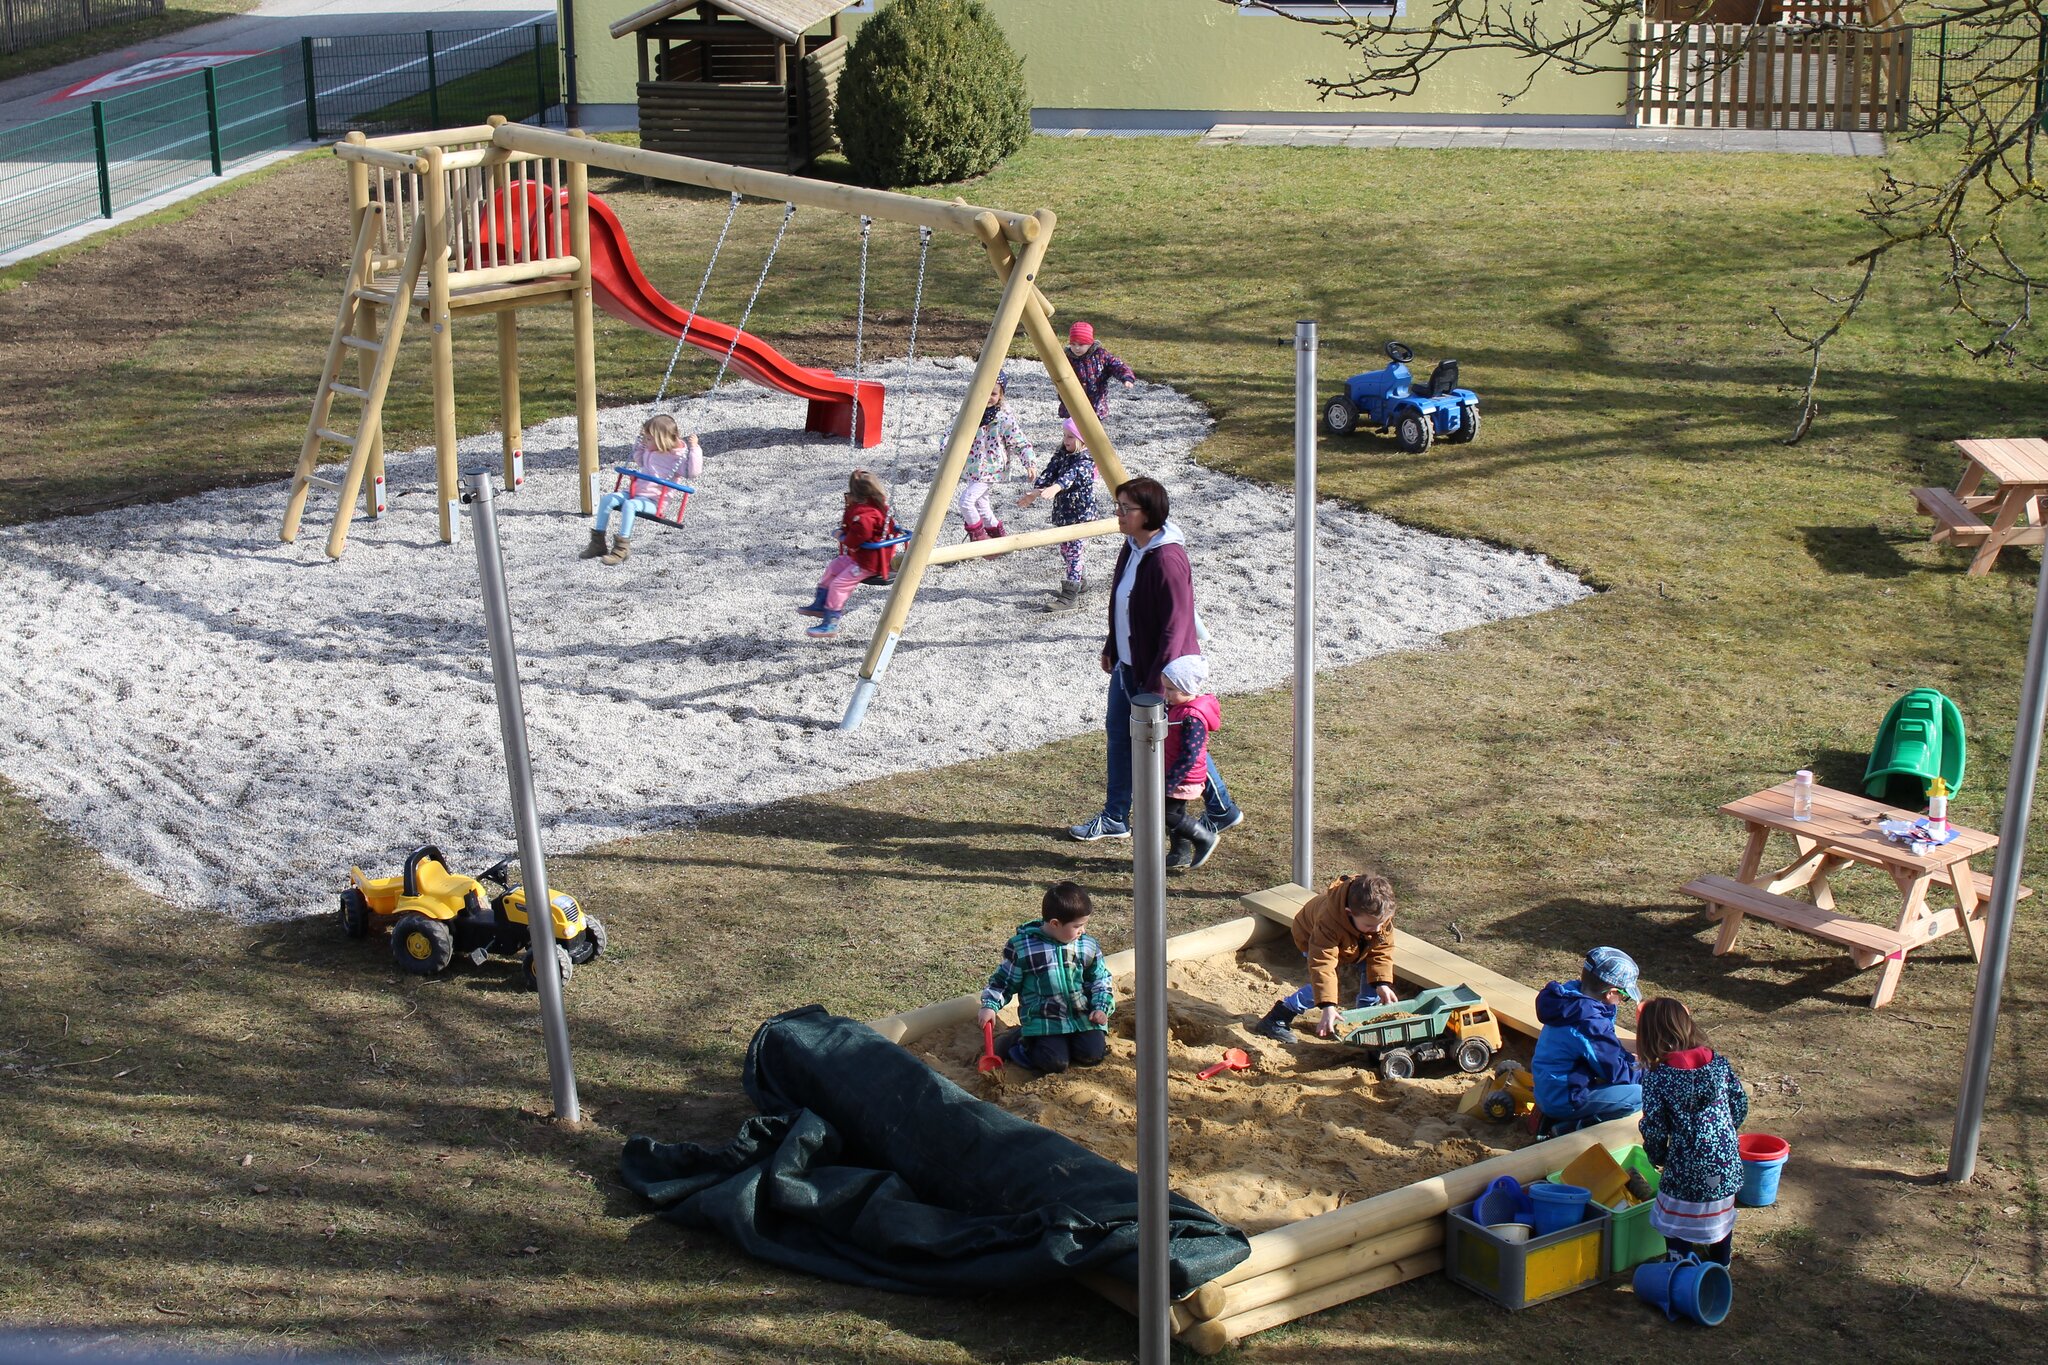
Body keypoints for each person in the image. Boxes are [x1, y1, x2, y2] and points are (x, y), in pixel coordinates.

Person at [1067, 477, 1242, 842]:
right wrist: (1111, 646)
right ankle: (1116, 815)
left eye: (1125, 509)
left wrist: (1155, 685)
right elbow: (1121, 601)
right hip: (1128, 665)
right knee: (1118, 735)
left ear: (1149, 514)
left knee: (1174, 742)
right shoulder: (1133, 546)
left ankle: (1221, 808)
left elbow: (1174, 628)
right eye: (1118, 506)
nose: (1118, 514)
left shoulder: (1167, 560)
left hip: (1155, 677)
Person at [1636, 996, 1749, 1267]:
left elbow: (1654, 1125)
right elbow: (1740, 1103)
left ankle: (1678, 1265)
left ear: (1650, 1035)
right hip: (1725, 1160)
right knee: (1719, 1209)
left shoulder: (1659, 1076)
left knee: (1676, 1217)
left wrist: (1656, 1155)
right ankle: (1721, 1262)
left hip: (1687, 1164)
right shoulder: (1718, 1064)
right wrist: (1726, 1133)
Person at [978, 881, 1114, 1074]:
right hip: (1045, 1020)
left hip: (1080, 1017)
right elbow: (1004, 981)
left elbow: (1100, 979)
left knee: (1092, 1054)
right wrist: (989, 1006)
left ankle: (1066, 1043)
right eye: (1077, 926)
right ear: (1055, 924)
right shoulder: (1023, 948)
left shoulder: (1086, 945)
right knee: (1054, 1063)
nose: (1082, 930)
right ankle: (1017, 1041)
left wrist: (1101, 1007)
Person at [1249, 872, 1400, 1042]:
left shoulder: (1378, 918)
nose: (1378, 929)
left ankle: (1363, 1018)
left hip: (1354, 942)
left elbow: (1382, 952)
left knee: (1373, 975)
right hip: (1311, 938)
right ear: (1349, 913)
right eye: (1370, 925)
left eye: (1382, 923)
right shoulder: (1328, 921)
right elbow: (1322, 967)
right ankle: (1277, 1017)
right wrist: (1328, 1005)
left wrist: (1381, 984)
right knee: (1325, 984)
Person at [1531, 946, 1644, 1132]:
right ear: (1611, 993)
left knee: (1629, 1071)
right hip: (1564, 1098)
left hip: (1552, 1087)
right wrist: (1648, 1074)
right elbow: (1615, 1071)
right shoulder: (1588, 1022)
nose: (1622, 1002)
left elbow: (1607, 1051)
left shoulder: (1570, 999)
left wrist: (1631, 1060)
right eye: (1624, 997)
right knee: (1638, 1096)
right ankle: (1567, 1128)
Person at [584, 414, 700, 567]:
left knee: (630, 506)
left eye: (648, 439)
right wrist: (639, 444)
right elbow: (639, 459)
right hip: (634, 492)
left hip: (653, 502)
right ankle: (598, 543)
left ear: (662, 440)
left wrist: (694, 448)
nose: (645, 442)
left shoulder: (677, 458)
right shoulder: (651, 451)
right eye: (645, 438)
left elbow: (692, 472)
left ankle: (622, 548)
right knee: (607, 499)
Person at [799, 469, 899, 639]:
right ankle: (820, 604)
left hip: (869, 564)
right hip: (858, 557)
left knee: (839, 585)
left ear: (856, 494)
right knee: (833, 567)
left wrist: (842, 536)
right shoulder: (868, 507)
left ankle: (831, 622)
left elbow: (857, 538)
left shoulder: (866, 515)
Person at [1016, 418, 1101, 612]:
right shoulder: (1062, 454)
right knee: (1066, 550)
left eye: (1071, 437)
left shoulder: (1086, 459)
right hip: (1065, 512)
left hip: (1081, 514)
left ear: (1083, 440)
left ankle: (1070, 595)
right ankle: (1080, 580)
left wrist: (1056, 488)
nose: (1066, 440)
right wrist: (1036, 492)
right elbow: (1050, 471)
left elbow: (1072, 476)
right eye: (1064, 436)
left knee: (1074, 551)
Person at [957, 371, 1036, 542]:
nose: (988, 398)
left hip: (992, 468)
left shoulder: (1003, 418)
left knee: (966, 502)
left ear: (1000, 395)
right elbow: (952, 433)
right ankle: (998, 538)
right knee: (982, 504)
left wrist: (1029, 462)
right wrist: (947, 450)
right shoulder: (970, 413)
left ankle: (980, 540)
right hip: (973, 466)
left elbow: (1020, 441)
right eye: (984, 393)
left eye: (993, 394)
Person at [1160, 655, 1221, 869]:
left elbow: (1189, 755)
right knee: (1175, 813)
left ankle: (1204, 838)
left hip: (1183, 777)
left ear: (1186, 689)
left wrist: (1169, 783)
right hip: (1175, 774)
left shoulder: (1192, 717)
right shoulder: (1179, 708)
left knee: (1164, 813)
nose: (1165, 694)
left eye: (1169, 690)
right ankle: (1180, 853)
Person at [1056, 321, 1136, 422]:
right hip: (1071, 406)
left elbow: (1117, 365)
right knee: (1071, 433)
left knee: (1093, 433)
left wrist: (1126, 377)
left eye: (1081, 344)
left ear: (1090, 343)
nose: (1076, 348)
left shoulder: (1100, 355)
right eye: (1073, 344)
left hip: (1095, 405)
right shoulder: (1067, 358)